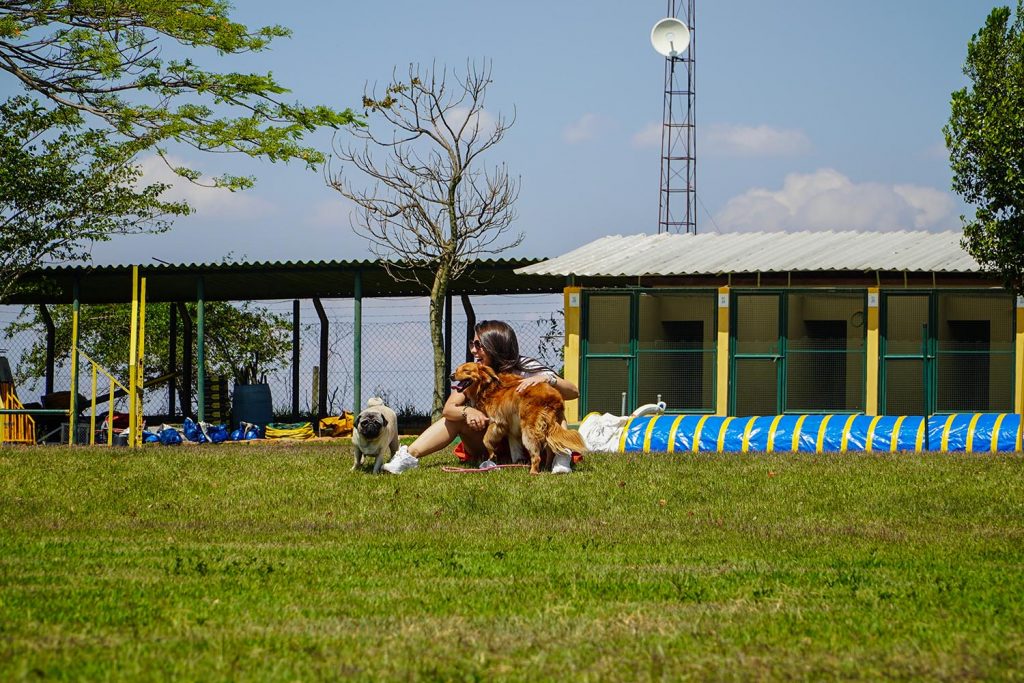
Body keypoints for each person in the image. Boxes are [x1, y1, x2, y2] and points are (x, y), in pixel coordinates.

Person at [382, 319, 580, 474]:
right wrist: (468, 411)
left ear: (496, 345)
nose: (473, 350)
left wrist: (546, 378)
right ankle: (408, 457)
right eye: (472, 344)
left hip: (530, 434)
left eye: (479, 344)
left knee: (554, 407)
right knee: (454, 420)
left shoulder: (524, 367)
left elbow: (573, 392)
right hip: (491, 440)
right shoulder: (473, 373)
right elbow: (449, 409)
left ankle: (561, 458)